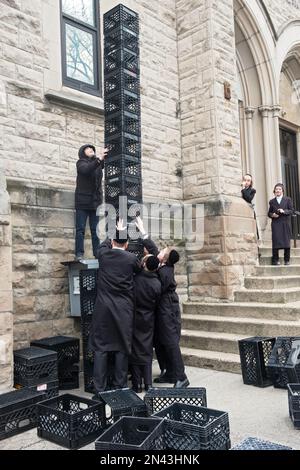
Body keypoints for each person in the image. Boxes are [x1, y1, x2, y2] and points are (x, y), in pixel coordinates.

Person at [135, 217, 189, 388]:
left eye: (162, 251)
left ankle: (181, 376)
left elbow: (157, 288)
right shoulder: (161, 264)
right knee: (159, 341)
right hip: (160, 309)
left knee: (170, 341)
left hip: (168, 308)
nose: (159, 251)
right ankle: (168, 372)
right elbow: (152, 248)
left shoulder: (165, 272)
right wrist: (143, 231)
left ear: (164, 259)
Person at [90, 220, 141, 395]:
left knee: (101, 349)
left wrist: (115, 231)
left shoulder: (104, 255)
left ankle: (99, 390)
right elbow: (139, 270)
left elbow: (103, 246)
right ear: (127, 245)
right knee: (122, 347)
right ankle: (120, 387)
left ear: (112, 242)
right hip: (123, 310)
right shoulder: (132, 259)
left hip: (103, 309)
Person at [130, 254, 161, 393]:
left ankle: (136, 384)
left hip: (135, 316)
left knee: (135, 349)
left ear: (144, 264)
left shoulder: (135, 280)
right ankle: (148, 384)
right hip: (149, 318)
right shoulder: (157, 283)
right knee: (147, 350)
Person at [74, 144, 108, 261]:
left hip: (95, 203)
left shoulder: (97, 164)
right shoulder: (80, 163)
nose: (91, 150)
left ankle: (97, 253)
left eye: (92, 149)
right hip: (82, 203)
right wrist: (98, 159)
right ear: (83, 152)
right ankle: (79, 253)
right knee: (80, 229)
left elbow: (101, 164)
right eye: (88, 149)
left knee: (95, 230)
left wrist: (103, 156)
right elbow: (87, 170)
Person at [268, 183, 294, 266]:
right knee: (275, 241)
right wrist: (272, 215)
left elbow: (291, 210)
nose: (278, 190)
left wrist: (284, 211)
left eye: (279, 189)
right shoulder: (272, 201)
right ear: (274, 191)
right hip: (276, 223)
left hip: (285, 223)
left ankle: (287, 260)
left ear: (282, 190)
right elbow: (269, 213)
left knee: (286, 242)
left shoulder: (287, 200)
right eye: (276, 189)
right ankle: (275, 260)